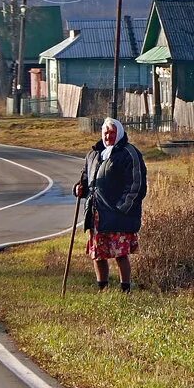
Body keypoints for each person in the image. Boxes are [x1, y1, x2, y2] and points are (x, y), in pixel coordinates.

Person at [74, 118, 146, 293]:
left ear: (119, 134)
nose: (108, 136)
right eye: (106, 133)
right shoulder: (94, 154)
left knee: (120, 253)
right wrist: (78, 188)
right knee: (97, 254)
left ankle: (125, 290)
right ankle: (103, 289)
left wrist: (122, 208)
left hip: (118, 214)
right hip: (97, 213)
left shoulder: (129, 153)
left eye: (112, 133)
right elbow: (86, 181)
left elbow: (137, 185)